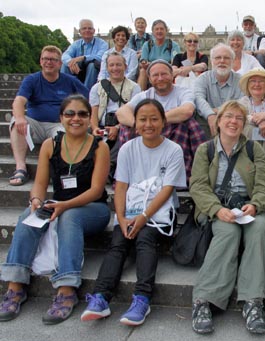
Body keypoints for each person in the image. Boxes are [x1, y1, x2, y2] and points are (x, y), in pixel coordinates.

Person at [0, 95, 110, 324]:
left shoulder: (99, 146)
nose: (76, 118)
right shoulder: (51, 144)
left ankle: (67, 289)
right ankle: (15, 285)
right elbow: (40, 183)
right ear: (61, 118)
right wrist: (36, 201)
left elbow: (96, 189)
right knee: (26, 216)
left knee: (69, 217)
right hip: (59, 205)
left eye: (82, 114)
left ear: (90, 118)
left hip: (93, 209)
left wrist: (64, 206)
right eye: (70, 114)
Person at [81, 99, 186, 326]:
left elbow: (167, 190)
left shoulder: (173, 149)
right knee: (118, 242)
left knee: (145, 239)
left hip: (159, 213)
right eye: (143, 119)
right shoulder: (128, 147)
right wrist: (121, 218)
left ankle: (142, 299)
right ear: (135, 123)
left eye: (154, 119)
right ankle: (100, 297)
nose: (149, 124)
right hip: (129, 209)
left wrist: (144, 218)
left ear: (164, 122)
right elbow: (120, 186)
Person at [190, 100, 265, 335]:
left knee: (259, 229)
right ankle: (204, 301)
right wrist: (216, 209)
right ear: (218, 122)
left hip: (248, 206)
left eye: (239, 118)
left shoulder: (253, 149)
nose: (233, 122)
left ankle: (253, 301)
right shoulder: (205, 150)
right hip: (217, 207)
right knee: (227, 233)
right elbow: (197, 186)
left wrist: (255, 205)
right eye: (228, 116)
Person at [9, 45, 88, 186]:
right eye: (45, 59)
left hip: (58, 124)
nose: (48, 62)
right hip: (35, 124)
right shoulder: (32, 80)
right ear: (40, 61)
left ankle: (58, 171)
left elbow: (88, 99)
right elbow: (19, 101)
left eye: (53, 59)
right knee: (16, 122)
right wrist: (21, 117)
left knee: (66, 132)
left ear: (59, 63)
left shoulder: (69, 81)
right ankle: (20, 168)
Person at [116, 59, 205, 180]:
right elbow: (121, 113)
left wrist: (156, 122)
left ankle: (181, 175)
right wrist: (138, 125)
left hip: (173, 137)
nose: (160, 78)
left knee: (189, 124)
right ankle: (131, 175)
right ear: (150, 78)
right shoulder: (145, 95)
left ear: (171, 75)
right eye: (155, 75)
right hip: (147, 137)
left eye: (164, 74)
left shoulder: (183, 92)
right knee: (126, 128)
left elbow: (187, 110)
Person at [89, 52, 141, 176]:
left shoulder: (135, 88)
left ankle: (109, 167)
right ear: (107, 68)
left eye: (118, 65)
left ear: (125, 67)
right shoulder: (97, 88)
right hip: (101, 125)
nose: (115, 68)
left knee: (127, 133)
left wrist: (117, 127)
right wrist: (95, 128)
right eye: (111, 65)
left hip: (122, 125)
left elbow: (135, 113)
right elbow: (94, 113)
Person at [194, 44, 243, 137]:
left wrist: (217, 111)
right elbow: (198, 99)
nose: (222, 61)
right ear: (212, 61)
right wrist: (210, 115)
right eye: (218, 58)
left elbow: (242, 103)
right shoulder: (202, 78)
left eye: (226, 58)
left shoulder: (241, 80)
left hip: (233, 121)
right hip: (207, 122)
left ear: (232, 61)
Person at [61, 19, 108, 89]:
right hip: (78, 69)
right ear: (80, 31)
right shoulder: (76, 44)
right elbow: (65, 55)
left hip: (95, 71)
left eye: (90, 28)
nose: (87, 30)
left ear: (94, 31)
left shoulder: (102, 43)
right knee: (65, 65)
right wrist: (70, 63)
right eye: (84, 28)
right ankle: (64, 91)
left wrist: (84, 57)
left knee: (92, 65)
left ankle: (85, 93)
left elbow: (101, 57)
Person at [137, 19, 180, 90]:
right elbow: (143, 61)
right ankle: (139, 96)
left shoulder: (173, 45)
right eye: (157, 29)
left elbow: (175, 62)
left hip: (167, 71)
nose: (159, 31)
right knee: (142, 71)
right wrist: (145, 63)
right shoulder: (147, 45)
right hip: (151, 71)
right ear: (153, 32)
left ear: (166, 31)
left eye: (161, 29)